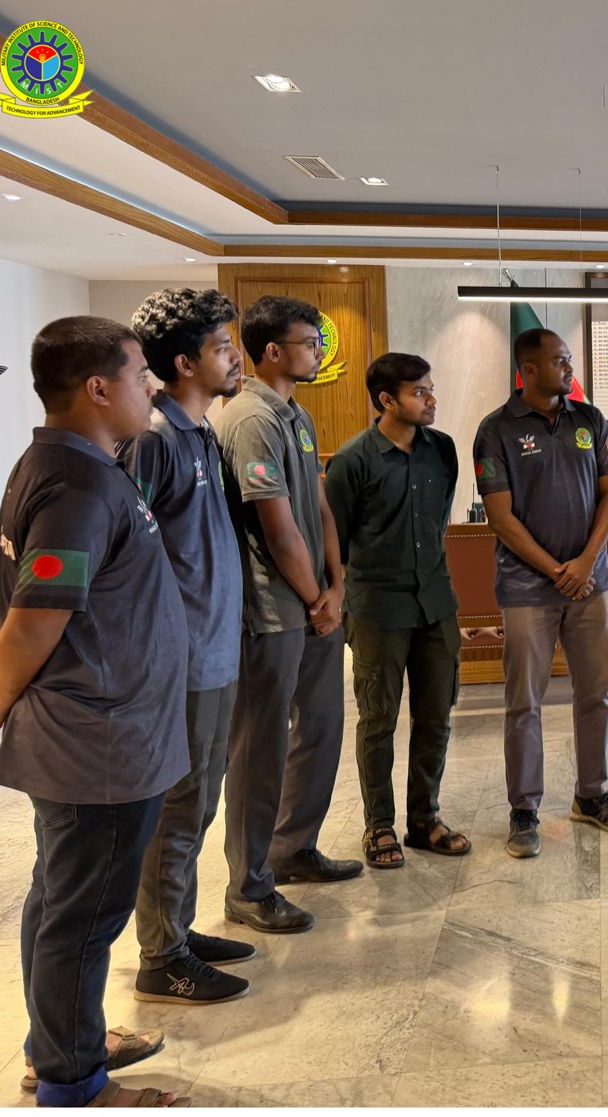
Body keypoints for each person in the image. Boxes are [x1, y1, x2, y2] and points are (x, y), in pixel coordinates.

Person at [0, 317, 191, 1106]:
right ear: (98, 388)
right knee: (83, 914)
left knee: (60, 899)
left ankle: (60, 1041)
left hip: (103, 732)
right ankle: (73, 1083)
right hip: (96, 743)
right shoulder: (76, 484)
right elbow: (35, 617)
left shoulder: (78, 465)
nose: (152, 389)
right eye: (140, 376)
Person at [118, 288, 255, 1004]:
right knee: (179, 808)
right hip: (183, 659)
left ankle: (177, 927)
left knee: (199, 803)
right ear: (183, 363)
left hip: (216, 650)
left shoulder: (200, 432)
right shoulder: (153, 440)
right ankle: (161, 955)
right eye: (222, 348)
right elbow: (122, 551)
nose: (235, 358)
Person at [212, 295, 361, 935]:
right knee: (260, 748)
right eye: (309, 343)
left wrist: (337, 584)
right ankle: (248, 885)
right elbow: (275, 527)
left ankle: (293, 847)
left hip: (314, 602)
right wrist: (312, 597)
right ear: (272, 351)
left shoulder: (296, 414)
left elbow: (318, 507)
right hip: (272, 611)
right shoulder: (250, 418)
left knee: (320, 728)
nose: (319, 353)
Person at [473, 327, 608, 859]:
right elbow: (500, 517)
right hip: (527, 589)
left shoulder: (589, 419)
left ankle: (592, 794)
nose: (570, 368)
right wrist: (556, 570)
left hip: (593, 584)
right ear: (530, 369)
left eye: (569, 360)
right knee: (524, 702)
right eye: (560, 360)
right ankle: (524, 809)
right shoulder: (496, 429)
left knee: (596, 694)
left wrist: (585, 563)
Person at [325, 352, 470, 868]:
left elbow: (439, 521)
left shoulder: (442, 450)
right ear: (387, 400)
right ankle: (379, 825)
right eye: (419, 392)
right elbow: (335, 545)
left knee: (436, 716)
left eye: (431, 389)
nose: (432, 400)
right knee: (378, 719)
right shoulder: (352, 461)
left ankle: (424, 820)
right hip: (377, 608)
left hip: (435, 602)